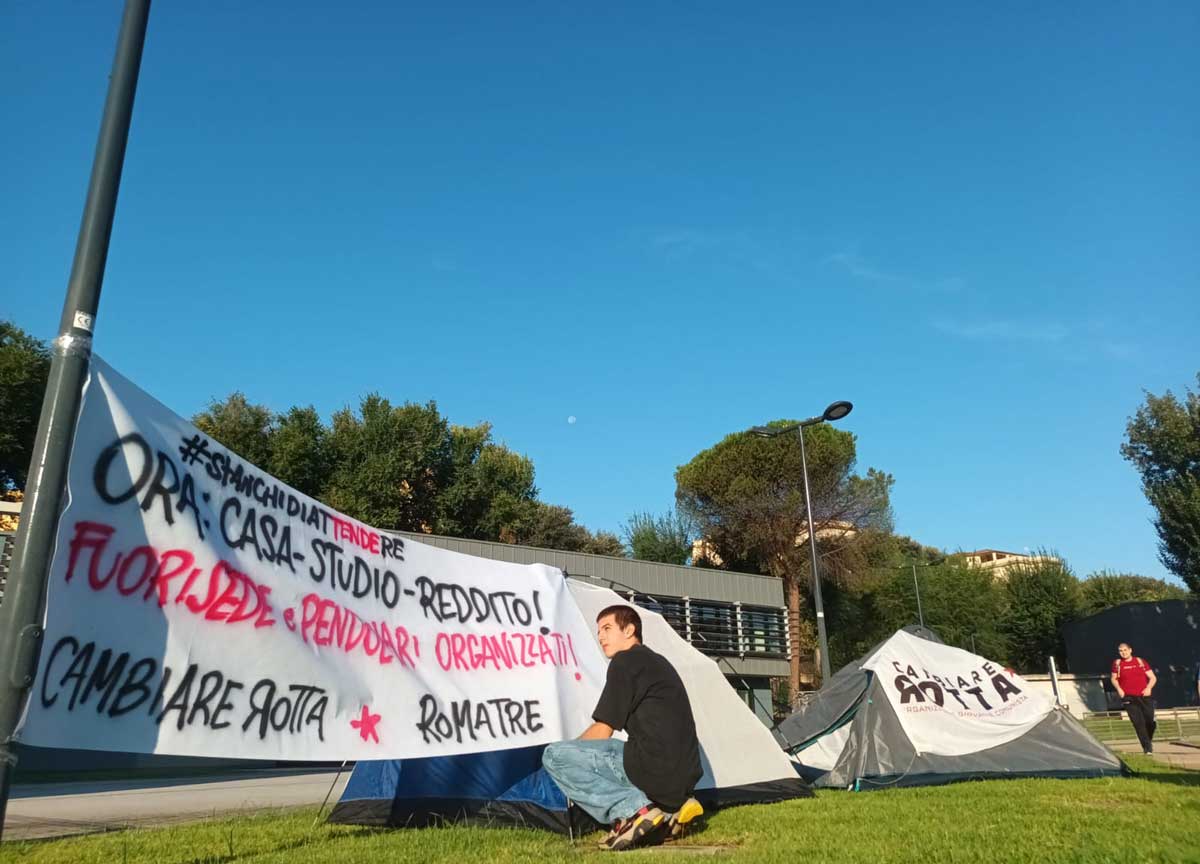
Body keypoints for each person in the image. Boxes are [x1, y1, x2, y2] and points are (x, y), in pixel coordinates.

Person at [542, 605, 704, 852]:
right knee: (625, 748)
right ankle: (672, 812)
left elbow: (602, 731)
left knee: (554, 755)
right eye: (598, 631)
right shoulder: (659, 662)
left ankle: (634, 811)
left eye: (607, 628)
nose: (601, 637)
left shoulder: (625, 661)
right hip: (684, 777)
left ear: (629, 630)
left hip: (656, 770)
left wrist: (570, 755)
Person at [1110, 642, 1158, 754]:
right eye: (1121, 651)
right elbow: (1113, 678)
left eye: (1125, 650)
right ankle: (1147, 748)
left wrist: (1148, 688)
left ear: (1130, 650)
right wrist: (1119, 689)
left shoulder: (1140, 661)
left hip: (1144, 695)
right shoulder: (1117, 664)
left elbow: (1152, 677)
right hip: (1128, 697)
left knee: (1149, 721)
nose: (1123, 652)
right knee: (1138, 722)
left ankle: (1148, 741)